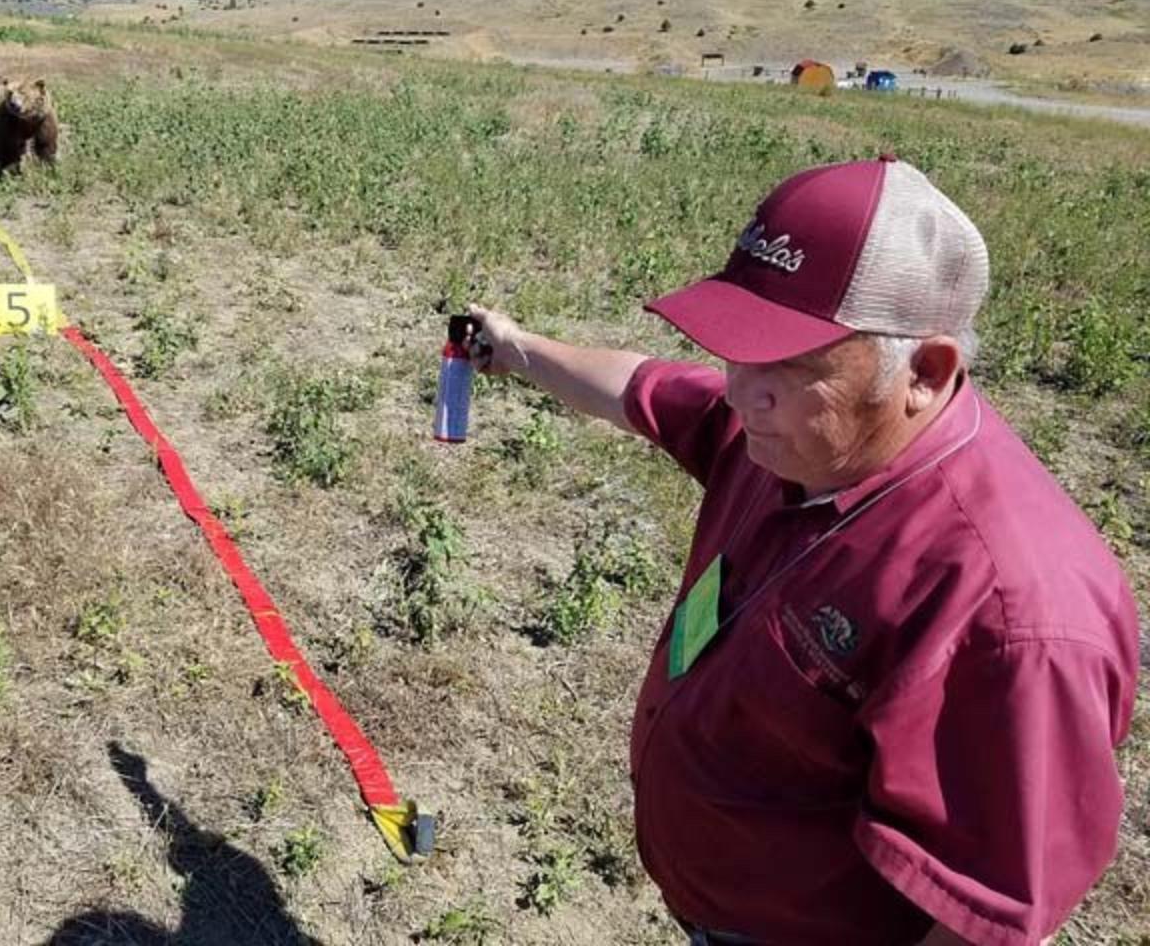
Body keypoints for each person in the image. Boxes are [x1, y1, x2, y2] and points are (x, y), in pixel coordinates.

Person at [467, 155, 1139, 946]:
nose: (740, 389)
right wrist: (515, 347)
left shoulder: (1011, 616)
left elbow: (985, 916)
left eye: (787, 364)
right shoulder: (789, 433)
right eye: (737, 348)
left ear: (923, 372)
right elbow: (641, 390)